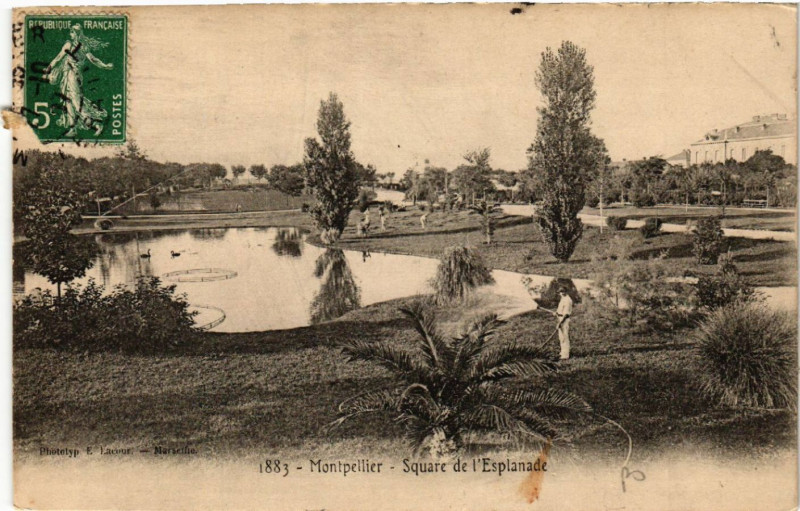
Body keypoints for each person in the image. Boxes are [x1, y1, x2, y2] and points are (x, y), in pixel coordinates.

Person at [43, 25, 114, 137]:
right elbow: (59, 58)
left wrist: (104, 66)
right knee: (68, 101)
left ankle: (97, 124)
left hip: (73, 75)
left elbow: (91, 59)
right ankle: (73, 128)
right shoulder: (76, 45)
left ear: (76, 33)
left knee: (76, 102)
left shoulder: (77, 45)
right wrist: (49, 68)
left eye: (72, 32)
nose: (70, 34)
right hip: (67, 75)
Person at [556, 287, 573, 360]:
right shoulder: (563, 299)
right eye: (560, 292)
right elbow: (561, 310)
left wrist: (560, 323)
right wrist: (557, 313)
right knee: (561, 337)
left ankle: (565, 355)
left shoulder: (567, 300)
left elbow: (566, 314)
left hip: (564, 320)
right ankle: (562, 353)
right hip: (560, 318)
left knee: (564, 337)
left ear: (566, 291)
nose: (561, 293)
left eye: (563, 291)